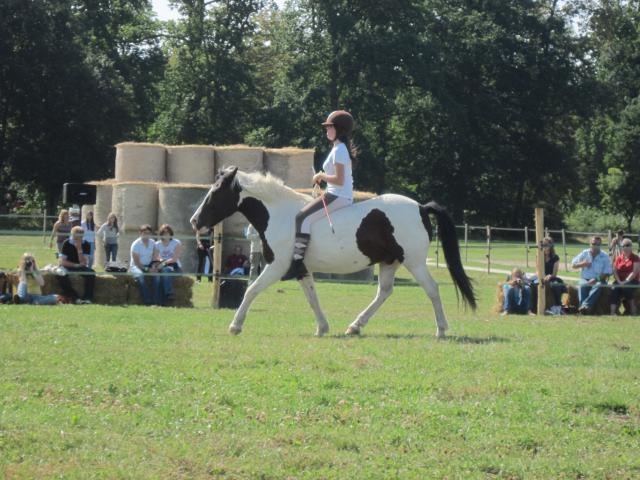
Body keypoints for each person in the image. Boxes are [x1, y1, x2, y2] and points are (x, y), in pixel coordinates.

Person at [282, 110, 357, 280]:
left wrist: (321, 176)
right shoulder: (338, 148)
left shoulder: (340, 150)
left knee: (301, 218)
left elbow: (339, 180)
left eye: (330, 127)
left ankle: (297, 263)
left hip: (338, 196)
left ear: (340, 129)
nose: (327, 130)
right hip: (336, 194)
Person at [571, 236, 613, 314]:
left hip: (599, 280)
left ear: (600, 245)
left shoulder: (605, 256)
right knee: (582, 285)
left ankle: (584, 306)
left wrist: (596, 279)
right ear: (590, 244)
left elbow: (607, 272)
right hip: (584, 279)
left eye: (598, 244)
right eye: (593, 244)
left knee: (598, 285)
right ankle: (585, 309)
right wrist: (582, 264)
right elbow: (573, 264)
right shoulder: (584, 253)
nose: (595, 246)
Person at [57, 226, 95, 304]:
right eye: (75, 237)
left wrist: (79, 249)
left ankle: (87, 298)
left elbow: (84, 263)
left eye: (79, 237)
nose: (77, 239)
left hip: (80, 266)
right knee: (59, 274)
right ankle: (74, 297)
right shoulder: (67, 243)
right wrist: (75, 265)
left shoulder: (86, 244)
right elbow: (62, 262)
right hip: (68, 266)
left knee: (91, 273)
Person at [129, 224, 161, 305]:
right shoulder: (135, 245)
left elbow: (155, 257)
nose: (147, 235)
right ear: (140, 233)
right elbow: (137, 263)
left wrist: (154, 266)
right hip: (136, 266)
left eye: (148, 233)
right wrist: (147, 270)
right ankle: (147, 300)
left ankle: (155, 300)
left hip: (149, 265)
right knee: (141, 276)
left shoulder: (153, 243)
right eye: (145, 233)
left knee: (157, 277)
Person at [609, 238, 640, 315]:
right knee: (614, 288)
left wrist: (625, 281)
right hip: (619, 280)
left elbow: (634, 272)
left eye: (628, 245)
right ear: (621, 247)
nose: (625, 247)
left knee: (626, 287)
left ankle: (633, 308)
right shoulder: (618, 258)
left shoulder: (635, 258)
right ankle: (612, 312)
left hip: (633, 281)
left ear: (631, 247)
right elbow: (614, 271)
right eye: (623, 245)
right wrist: (619, 281)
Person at [155, 224, 182, 303]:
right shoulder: (157, 244)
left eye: (167, 233)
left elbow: (174, 259)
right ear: (161, 234)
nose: (166, 234)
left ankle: (169, 294)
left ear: (171, 233)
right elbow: (156, 257)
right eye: (164, 233)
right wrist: (161, 262)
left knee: (166, 271)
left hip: (175, 267)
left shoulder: (176, 243)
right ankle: (161, 300)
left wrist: (163, 263)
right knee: (159, 277)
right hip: (162, 266)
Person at [541, 237, 567, 313]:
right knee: (533, 285)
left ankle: (558, 306)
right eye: (543, 244)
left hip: (551, 277)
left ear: (551, 245)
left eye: (547, 244)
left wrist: (549, 276)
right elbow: (537, 270)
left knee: (556, 285)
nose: (545, 246)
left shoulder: (555, 257)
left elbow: (554, 273)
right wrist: (542, 276)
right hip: (540, 277)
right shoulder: (539, 255)